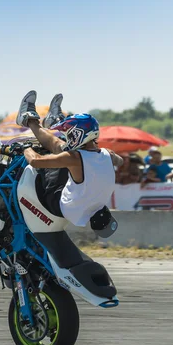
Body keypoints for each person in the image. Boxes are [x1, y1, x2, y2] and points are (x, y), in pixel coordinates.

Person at [16, 90, 121, 236]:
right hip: (77, 202)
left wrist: (26, 148)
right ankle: (52, 122)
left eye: (69, 132)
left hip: (57, 203)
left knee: (57, 147)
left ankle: (28, 120)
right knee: (61, 148)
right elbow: (117, 160)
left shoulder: (81, 157)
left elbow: (35, 161)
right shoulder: (104, 156)